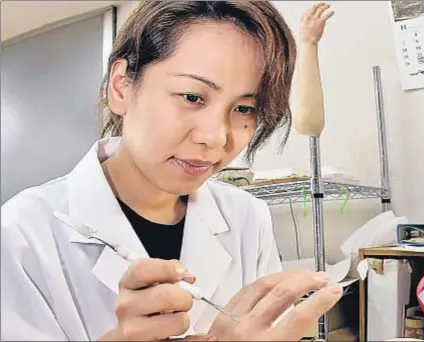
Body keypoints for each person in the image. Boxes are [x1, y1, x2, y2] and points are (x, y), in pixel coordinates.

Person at [0, 1, 339, 341]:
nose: (216, 136)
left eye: (243, 108)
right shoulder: (23, 234)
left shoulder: (246, 218)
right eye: (192, 97)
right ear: (121, 87)